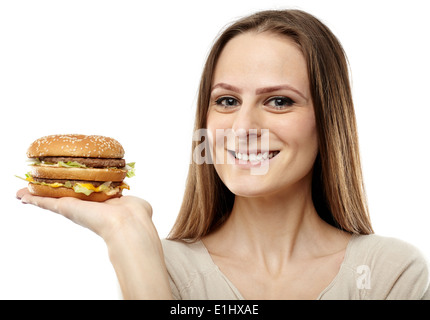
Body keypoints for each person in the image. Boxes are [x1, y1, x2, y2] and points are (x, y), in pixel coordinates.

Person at [16, 9, 429, 300]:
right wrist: (126, 232)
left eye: (280, 101)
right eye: (227, 101)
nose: (243, 127)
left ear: (327, 122)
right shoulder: (161, 267)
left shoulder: (391, 274)